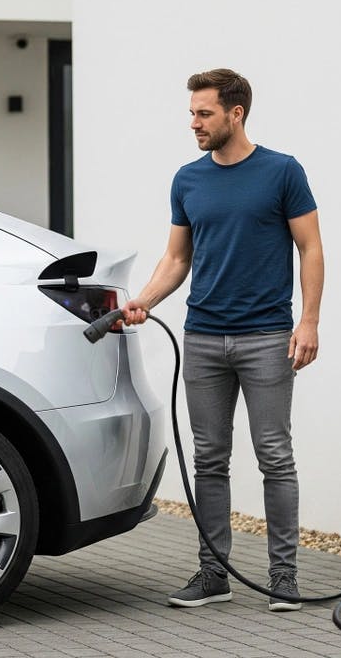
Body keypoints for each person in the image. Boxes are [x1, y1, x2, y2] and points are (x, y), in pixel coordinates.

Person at [121, 68, 323, 611]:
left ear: (236, 114)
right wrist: (143, 301)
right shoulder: (188, 179)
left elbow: (311, 248)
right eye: (192, 113)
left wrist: (309, 321)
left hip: (267, 337)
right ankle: (214, 575)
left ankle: (284, 577)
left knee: (274, 456)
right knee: (210, 459)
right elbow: (177, 258)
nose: (194, 123)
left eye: (204, 113)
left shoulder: (282, 172)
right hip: (205, 338)